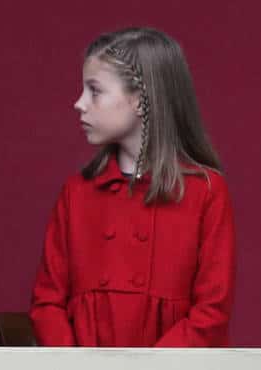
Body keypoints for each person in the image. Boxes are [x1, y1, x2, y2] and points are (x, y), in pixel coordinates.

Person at [29, 27, 236, 347]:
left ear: (140, 101)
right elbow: (47, 304)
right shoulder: (77, 193)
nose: (79, 103)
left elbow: (212, 312)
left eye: (94, 90)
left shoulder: (206, 192)